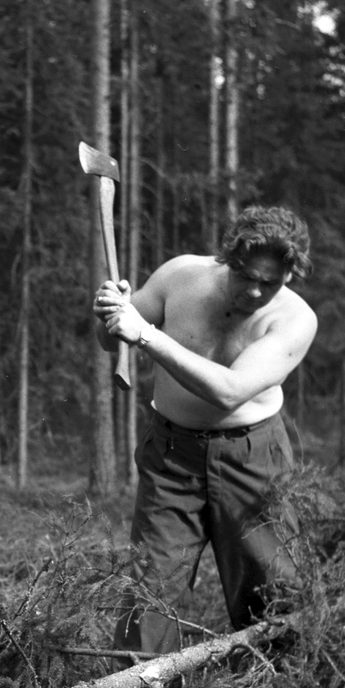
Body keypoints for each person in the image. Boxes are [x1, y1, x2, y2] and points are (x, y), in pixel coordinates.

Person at [93, 205, 317, 654]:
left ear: (290, 275)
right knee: (149, 590)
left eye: (269, 282)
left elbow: (230, 391)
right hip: (172, 456)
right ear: (227, 259)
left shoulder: (295, 320)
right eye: (245, 275)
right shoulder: (180, 276)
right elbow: (111, 339)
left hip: (253, 461)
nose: (254, 291)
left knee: (272, 591)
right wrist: (111, 314)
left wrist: (145, 335)